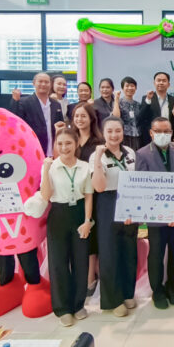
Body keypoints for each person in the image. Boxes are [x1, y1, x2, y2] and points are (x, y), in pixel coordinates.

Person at [40, 128, 94, 327]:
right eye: (60, 143)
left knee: (80, 261)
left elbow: (88, 195)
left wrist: (87, 221)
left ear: (76, 143)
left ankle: (78, 305)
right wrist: (45, 170)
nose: (64, 147)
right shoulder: (51, 167)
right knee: (59, 263)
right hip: (58, 214)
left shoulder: (84, 167)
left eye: (68, 143)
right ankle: (63, 309)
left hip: (79, 213)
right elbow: (45, 196)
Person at [90, 117, 139, 317]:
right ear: (103, 133)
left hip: (130, 200)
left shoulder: (130, 153)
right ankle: (113, 300)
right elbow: (99, 187)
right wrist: (98, 159)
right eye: (109, 131)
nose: (114, 135)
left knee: (129, 249)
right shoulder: (97, 155)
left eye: (117, 130)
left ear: (123, 132)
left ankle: (127, 293)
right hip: (108, 202)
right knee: (110, 252)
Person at [135, 117, 174, 309]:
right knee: (156, 254)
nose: (163, 135)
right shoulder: (142, 154)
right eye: (159, 131)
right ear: (151, 133)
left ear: (172, 133)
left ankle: (173, 287)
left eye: (167, 131)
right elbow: (142, 187)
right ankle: (157, 290)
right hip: (156, 216)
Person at [70, 102, 103, 297]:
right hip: (74, 195)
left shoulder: (99, 143)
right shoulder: (70, 140)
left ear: (91, 119)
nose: (79, 119)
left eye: (83, 116)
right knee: (78, 234)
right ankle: (79, 274)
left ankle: (91, 276)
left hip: (94, 195)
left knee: (91, 235)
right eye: (76, 116)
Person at [10, 72, 66, 157]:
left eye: (46, 82)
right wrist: (15, 101)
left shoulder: (56, 104)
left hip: (54, 151)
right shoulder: (24, 102)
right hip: (33, 150)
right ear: (34, 83)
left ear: (50, 84)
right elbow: (16, 123)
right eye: (40, 81)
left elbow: (61, 125)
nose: (43, 84)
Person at [138, 72, 174, 146]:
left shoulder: (173, 100)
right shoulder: (147, 98)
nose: (161, 83)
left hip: (168, 135)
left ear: (168, 84)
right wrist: (148, 100)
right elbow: (141, 117)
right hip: (152, 137)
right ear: (154, 83)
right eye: (158, 80)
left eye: (164, 81)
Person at [112, 76, 142, 151]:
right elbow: (116, 117)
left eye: (132, 86)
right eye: (127, 86)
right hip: (124, 136)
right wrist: (116, 99)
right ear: (122, 88)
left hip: (138, 136)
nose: (130, 88)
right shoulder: (118, 102)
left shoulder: (138, 104)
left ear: (135, 88)